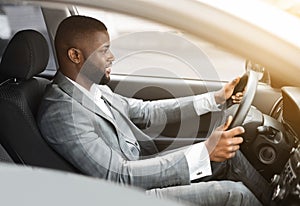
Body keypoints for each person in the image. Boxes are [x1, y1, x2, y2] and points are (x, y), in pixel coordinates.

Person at [37, 15, 273, 206]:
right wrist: (203, 152)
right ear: (75, 55)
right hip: (124, 194)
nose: (112, 57)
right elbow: (117, 176)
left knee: (232, 158)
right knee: (235, 194)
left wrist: (215, 99)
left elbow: (147, 112)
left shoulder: (95, 90)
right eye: (103, 50)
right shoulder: (62, 112)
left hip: (138, 172)